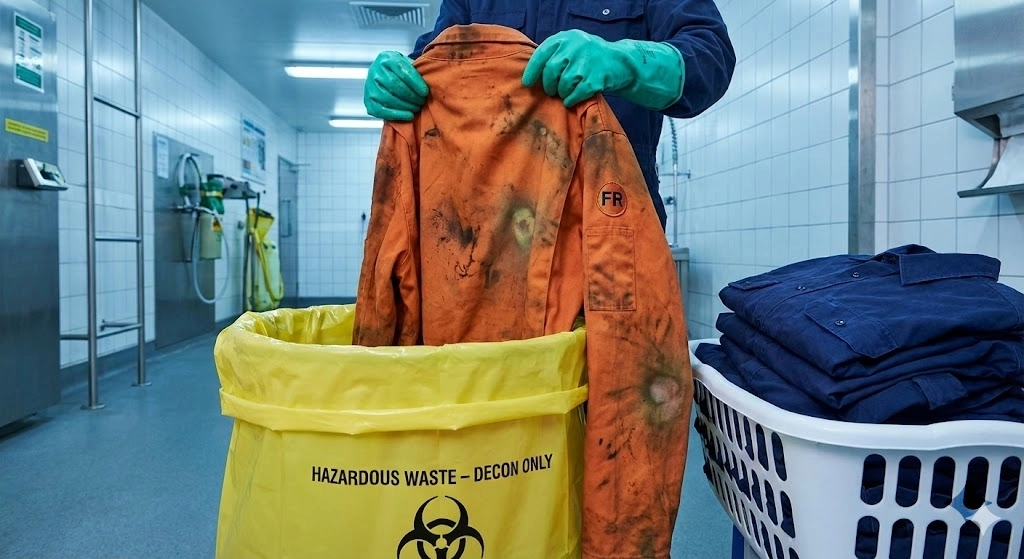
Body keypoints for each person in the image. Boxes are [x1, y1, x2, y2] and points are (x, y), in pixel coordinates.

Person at [363, 0, 736, 228]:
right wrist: (400, 75)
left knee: (609, 356)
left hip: (610, 221)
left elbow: (711, 56)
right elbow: (436, 63)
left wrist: (624, 60)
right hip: (490, 233)